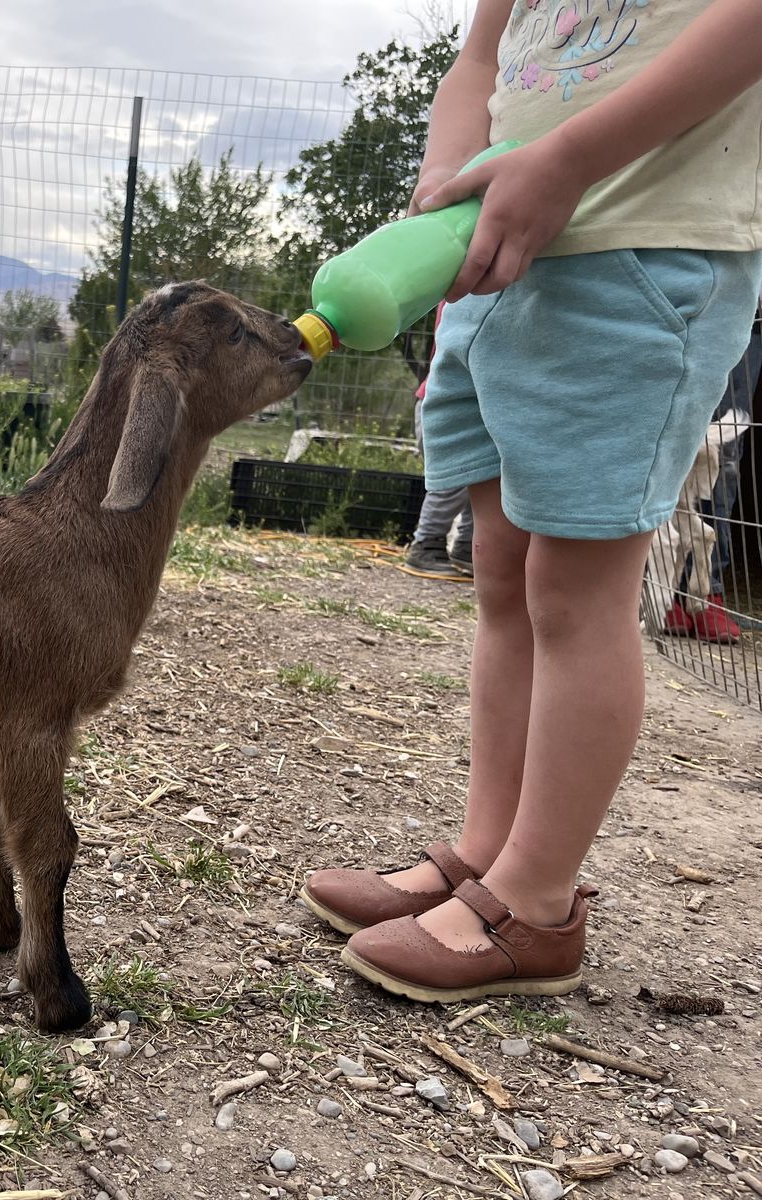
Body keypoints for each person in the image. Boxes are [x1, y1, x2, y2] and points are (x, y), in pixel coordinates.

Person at [299, 0, 762, 1003]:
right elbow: (476, 58)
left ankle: (537, 903)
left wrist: (564, 159)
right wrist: (444, 183)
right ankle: (483, 852)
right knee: (503, 574)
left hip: (638, 253)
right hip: (495, 250)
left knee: (574, 591)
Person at [663, 303, 760, 642]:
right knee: (672, 440)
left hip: (750, 312)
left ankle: (706, 596)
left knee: (723, 455)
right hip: (692, 303)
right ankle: (663, 593)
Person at [405, 305, 475, 578]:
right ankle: (426, 544)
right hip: (446, 404)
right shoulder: (468, 297)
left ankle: (466, 546)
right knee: (456, 477)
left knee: (482, 479)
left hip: (452, 403)